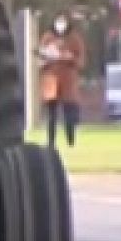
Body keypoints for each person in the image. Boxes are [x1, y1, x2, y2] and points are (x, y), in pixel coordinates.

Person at [38, 13, 86, 148]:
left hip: (68, 82)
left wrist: (69, 57)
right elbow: (40, 60)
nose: (60, 24)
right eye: (58, 21)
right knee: (51, 115)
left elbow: (81, 61)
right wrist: (47, 57)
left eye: (63, 21)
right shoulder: (47, 37)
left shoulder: (74, 39)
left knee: (69, 114)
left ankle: (71, 141)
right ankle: (51, 142)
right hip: (51, 80)